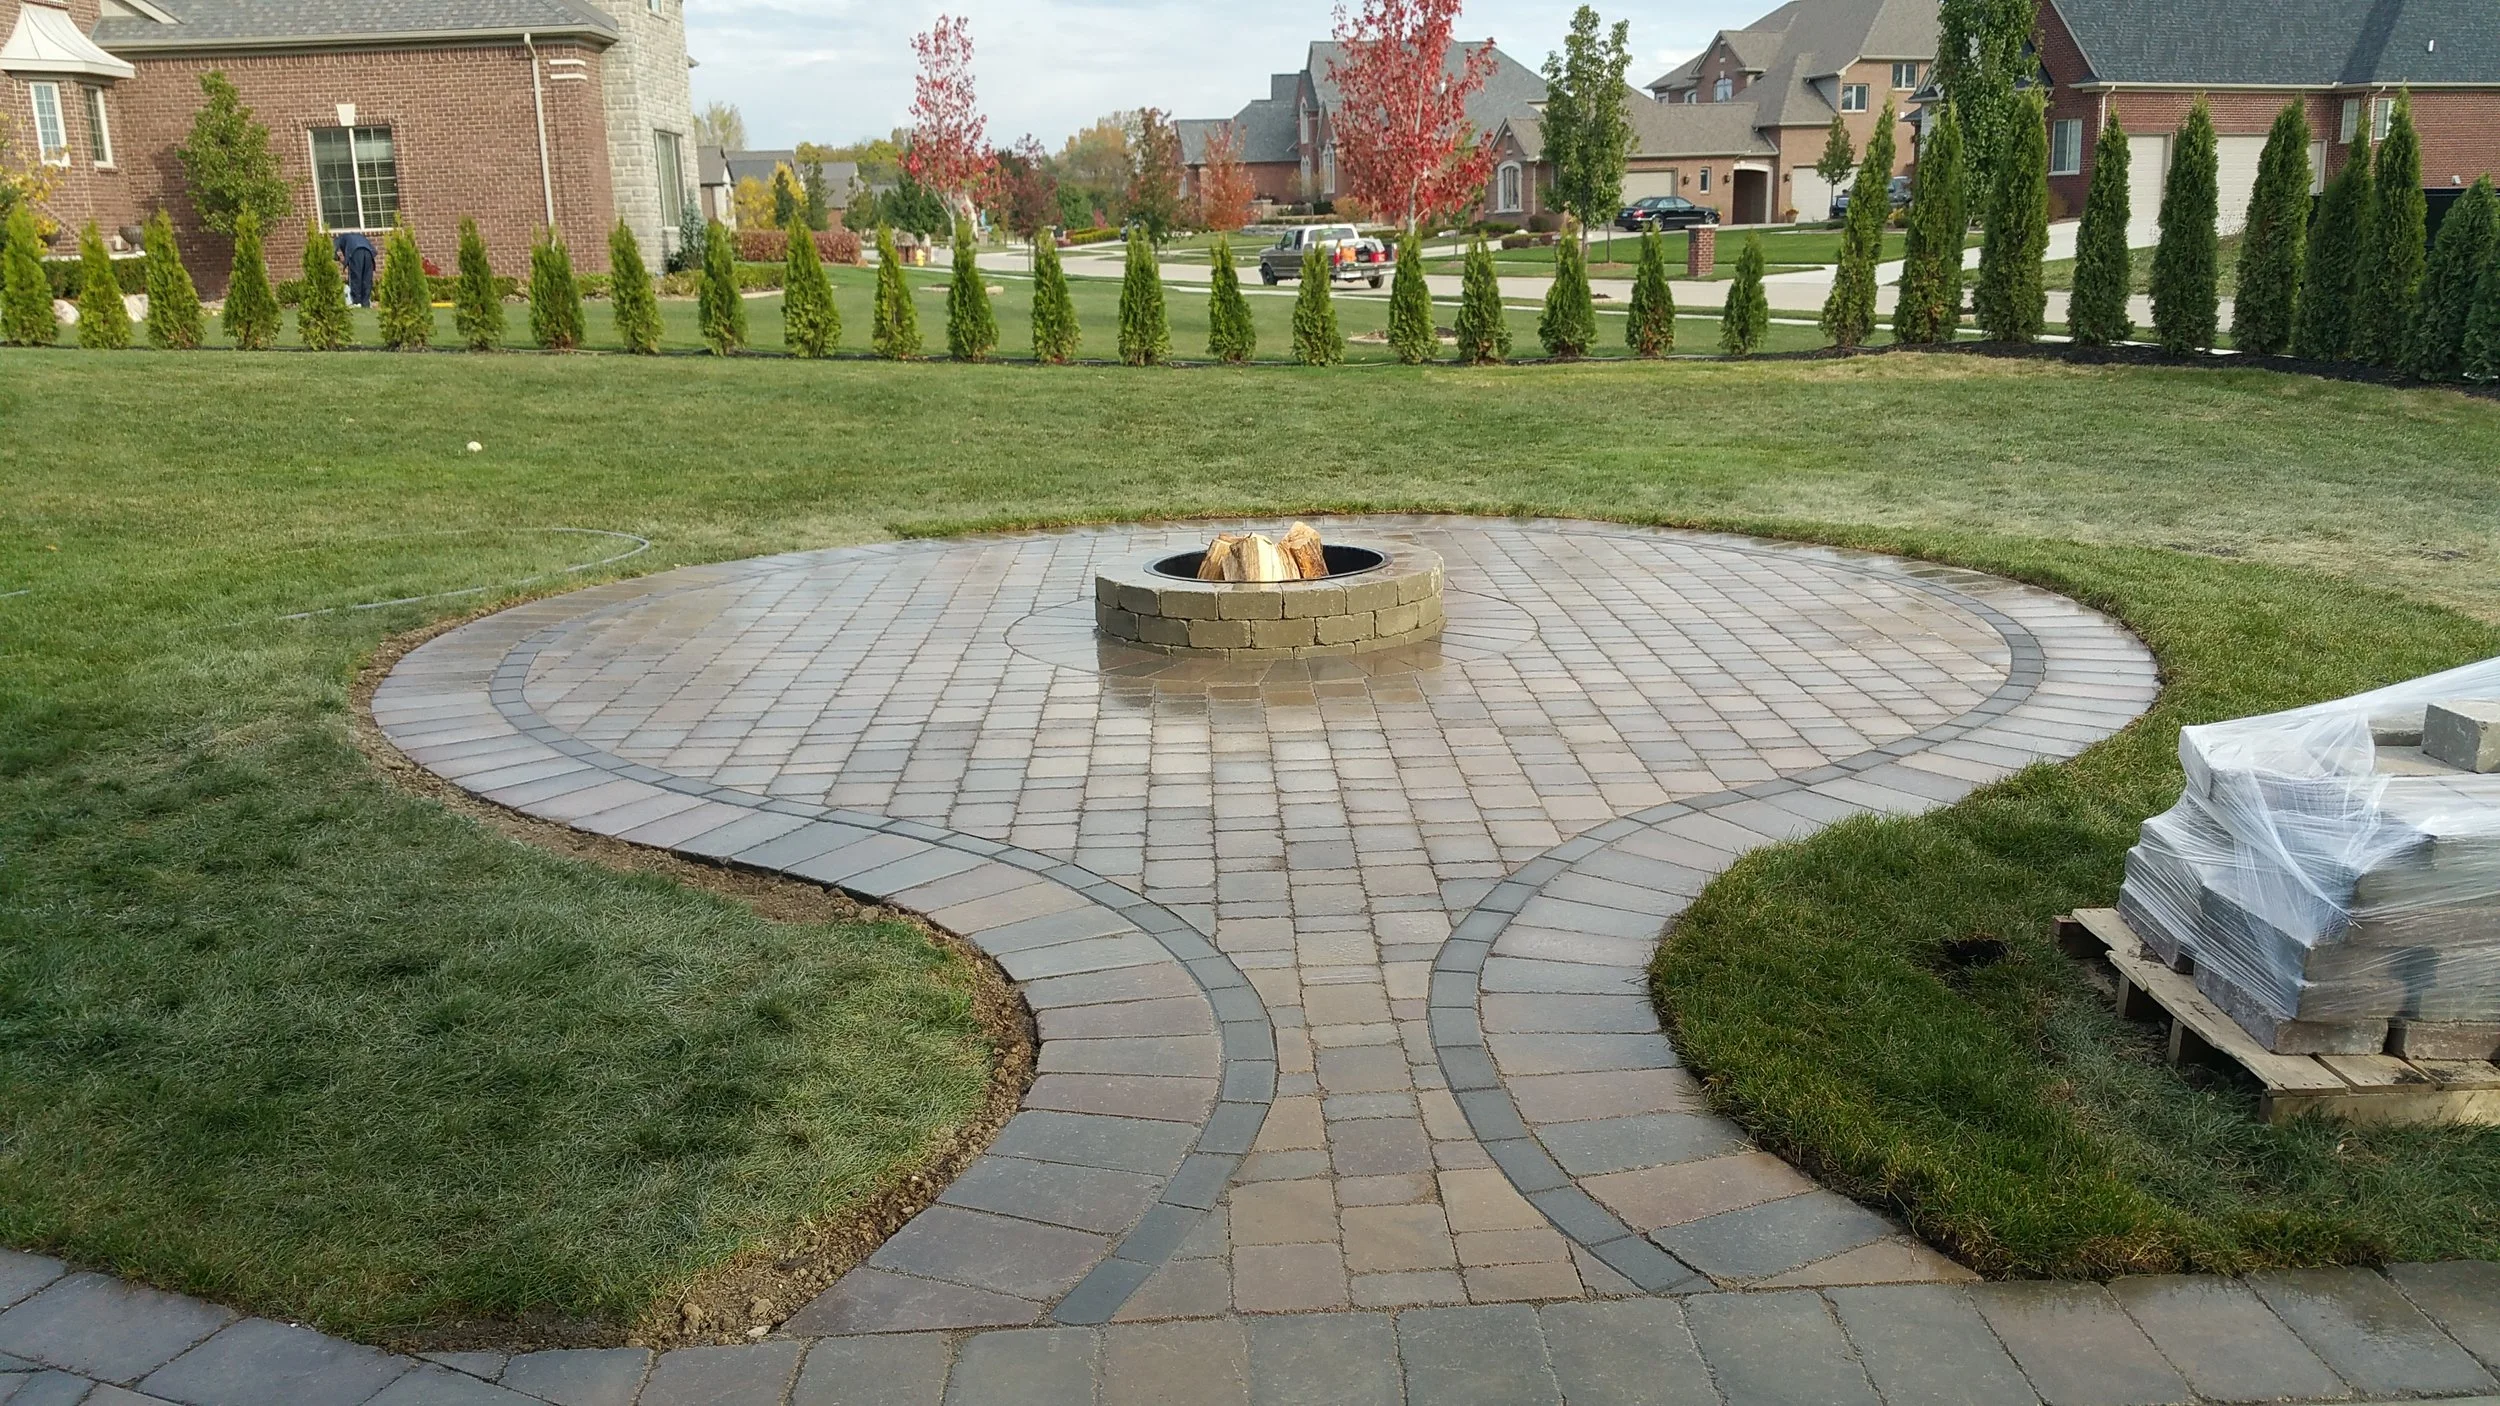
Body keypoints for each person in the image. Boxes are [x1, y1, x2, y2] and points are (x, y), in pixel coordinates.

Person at [334, 231, 377, 308]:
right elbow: (374, 251)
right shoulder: (359, 236)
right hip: (368, 253)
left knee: (355, 278)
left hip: (355, 252)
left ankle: (356, 302)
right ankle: (366, 303)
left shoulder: (340, 238)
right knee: (366, 279)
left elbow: (332, 250)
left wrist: (338, 258)